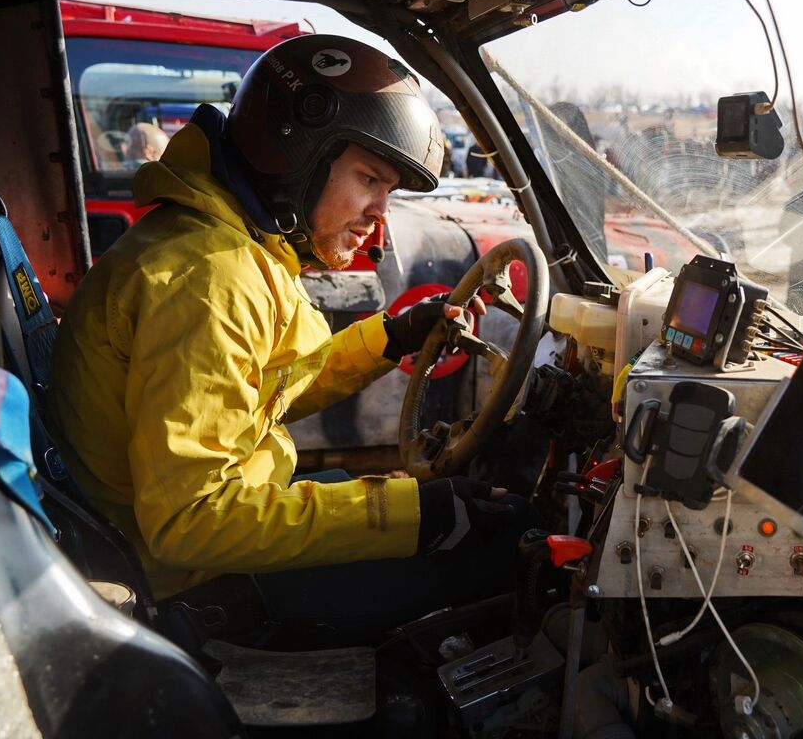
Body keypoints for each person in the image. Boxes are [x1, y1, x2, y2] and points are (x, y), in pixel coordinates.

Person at [48, 35, 535, 644]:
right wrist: (420, 514)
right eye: (368, 179)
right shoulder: (208, 279)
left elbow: (260, 390)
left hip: (213, 532)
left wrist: (392, 338)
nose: (379, 214)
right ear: (296, 151)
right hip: (191, 582)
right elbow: (190, 523)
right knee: (505, 559)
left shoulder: (229, 245)